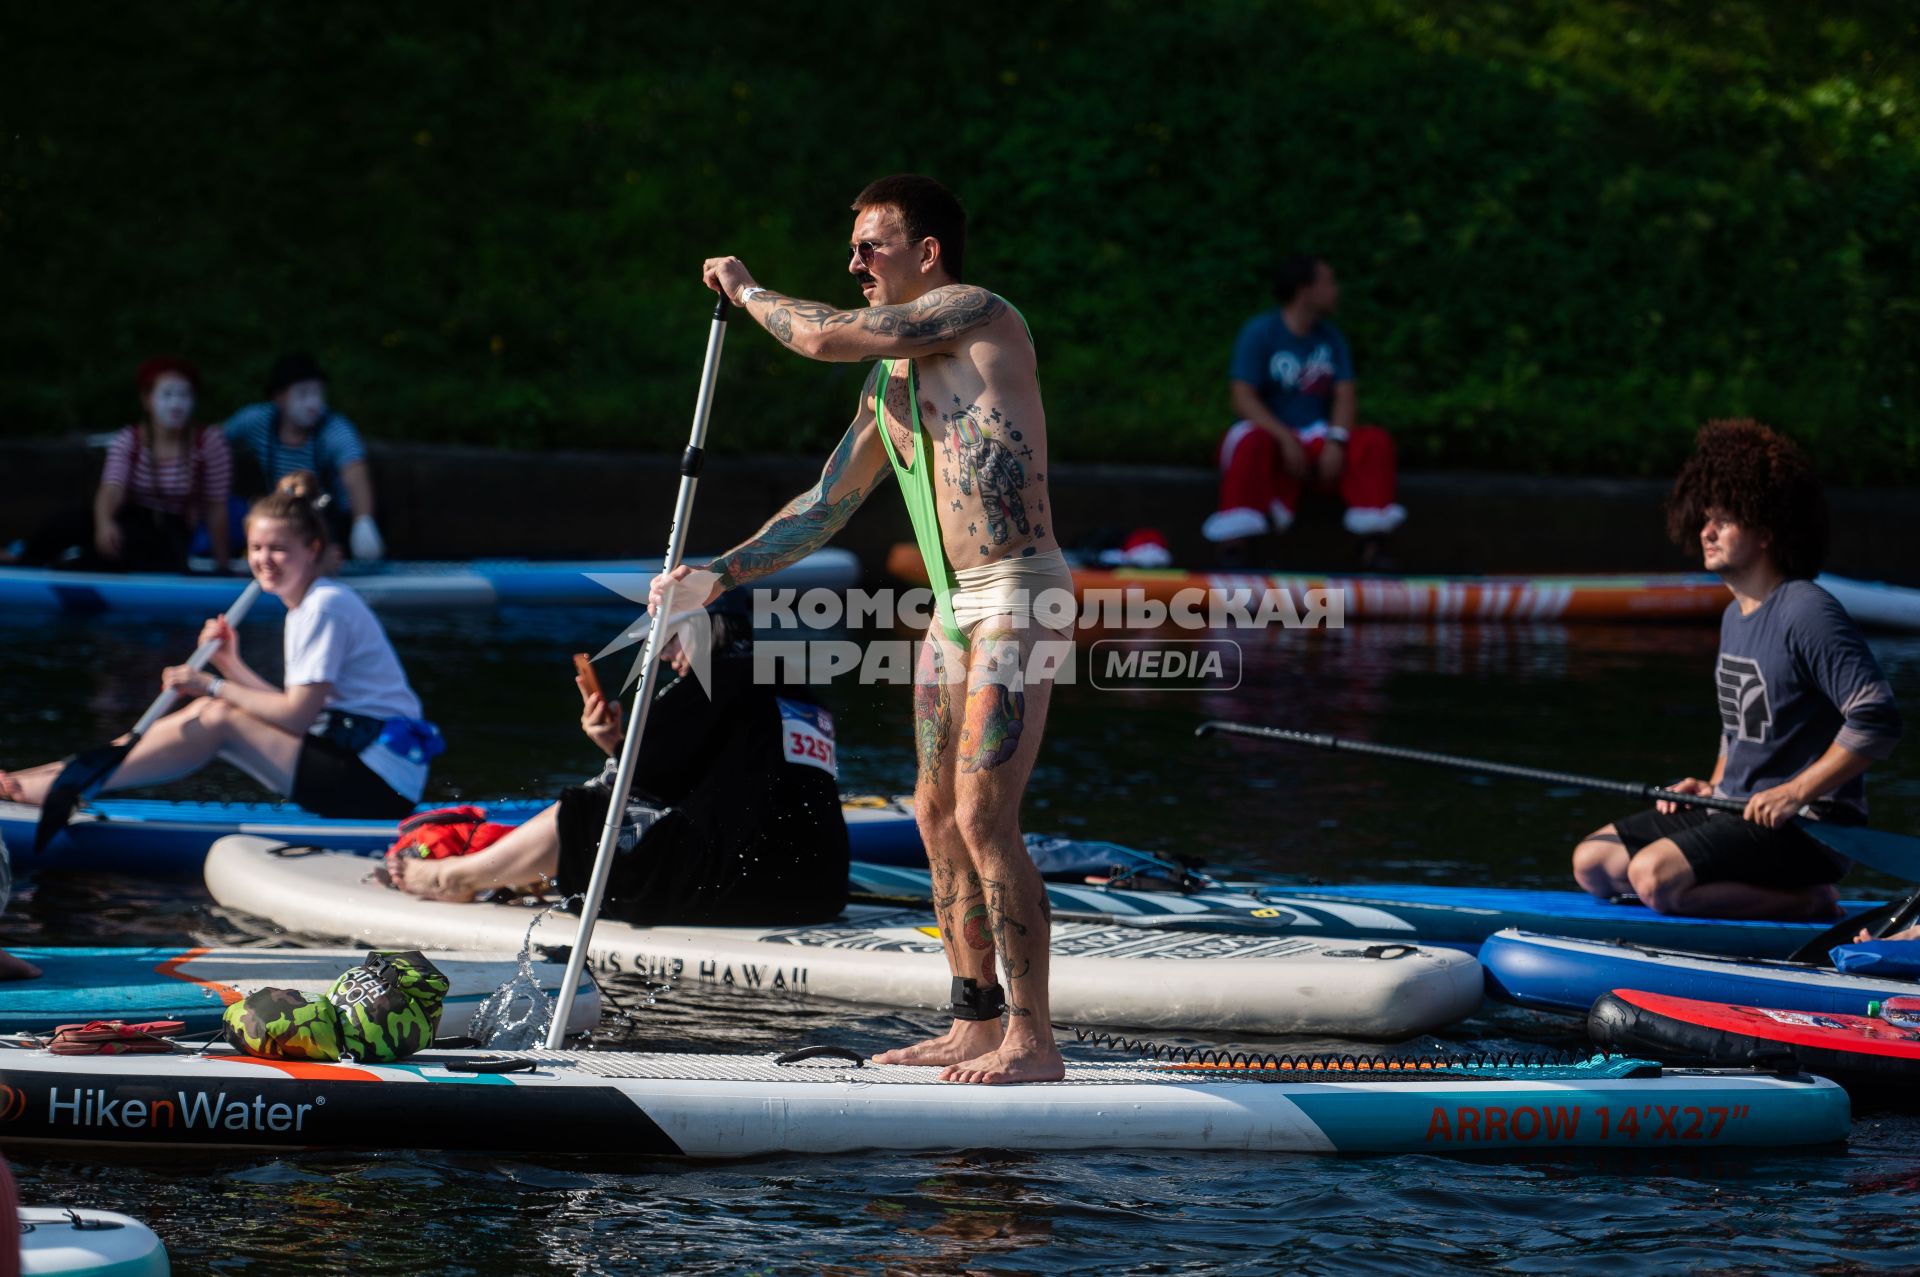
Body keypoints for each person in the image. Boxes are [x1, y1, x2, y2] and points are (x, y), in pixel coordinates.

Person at [651, 174, 1070, 1084]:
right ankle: (973, 1017)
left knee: (983, 815)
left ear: (926, 253)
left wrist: (749, 289)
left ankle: (1034, 1040)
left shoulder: (976, 313)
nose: (854, 264)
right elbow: (822, 507)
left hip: (1018, 593)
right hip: (952, 611)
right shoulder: (891, 383)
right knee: (930, 812)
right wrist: (716, 573)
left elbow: (820, 333)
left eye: (871, 246)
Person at [1571, 420, 1902, 919]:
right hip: (1735, 809)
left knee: (1653, 877)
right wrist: (1713, 787)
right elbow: (1739, 727)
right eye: (1705, 519)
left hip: (1809, 825)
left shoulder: (1805, 610)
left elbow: (1877, 719)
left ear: (1765, 531)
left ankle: (1806, 902)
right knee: (1593, 862)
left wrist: (1794, 792)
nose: (1706, 532)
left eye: (1723, 521)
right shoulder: (1733, 616)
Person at [386, 606, 849, 926]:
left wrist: (618, 753)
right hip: (817, 891)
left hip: (734, 889)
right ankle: (517, 870)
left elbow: (639, 783)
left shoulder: (710, 677)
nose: (666, 656)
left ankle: (453, 876)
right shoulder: (794, 687)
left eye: (669, 636)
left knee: (584, 813)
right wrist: (618, 745)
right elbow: (721, 786)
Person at [0, 489, 439, 819]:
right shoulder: (307, 606)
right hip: (349, 760)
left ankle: (68, 786)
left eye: (279, 548)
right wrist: (230, 664)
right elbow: (296, 711)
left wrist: (212, 682)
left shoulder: (325, 606)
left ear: (313, 550)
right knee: (214, 708)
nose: (265, 559)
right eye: (257, 548)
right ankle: (47, 777)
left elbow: (297, 717)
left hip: (379, 785)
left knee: (218, 714)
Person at [1202, 254, 1405, 566]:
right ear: (1305, 289)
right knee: (1250, 442)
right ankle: (1234, 545)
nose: (1336, 290)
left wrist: (1336, 440)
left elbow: (1345, 393)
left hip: (1318, 440)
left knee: (1373, 442)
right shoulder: (1260, 332)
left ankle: (1373, 545)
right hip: (1273, 438)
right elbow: (1243, 397)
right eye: (1329, 282)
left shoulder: (1330, 338)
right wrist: (1283, 438)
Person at [6, 357, 231, 571]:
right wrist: (104, 523)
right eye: (167, 394)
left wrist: (223, 565)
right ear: (147, 400)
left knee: (110, 553)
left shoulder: (208, 443)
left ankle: (70, 570)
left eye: (183, 395)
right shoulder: (129, 439)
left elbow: (216, 507)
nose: (176, 404)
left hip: (171, 532)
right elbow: (112, 487)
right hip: (130, 517)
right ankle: (24, 563)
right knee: (63, 524)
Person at [224, 352, 386, 560]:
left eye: (317, 394)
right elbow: (215, 439)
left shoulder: (334, 429)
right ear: (279, 397)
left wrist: (364, 523)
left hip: (329, 522)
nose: (312, 404)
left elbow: (355, 472)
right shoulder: (258, 421)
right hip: (283, 517)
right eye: (302, 394)